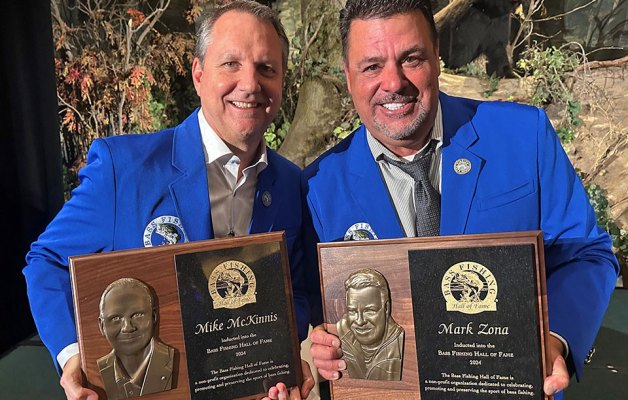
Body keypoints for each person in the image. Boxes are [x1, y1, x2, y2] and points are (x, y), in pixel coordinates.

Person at [303, 1, 619, 398]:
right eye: (371, 67)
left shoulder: (523, 136)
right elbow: (315, 306)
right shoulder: (317, 186)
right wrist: (322, 341)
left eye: (411, 58)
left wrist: (556, 338)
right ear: (349, 77)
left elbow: (587, 252)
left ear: (436, 57)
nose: (393, 82)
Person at [23, 2, 313, 400]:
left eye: (267, 68)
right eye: (230, 64)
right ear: (198, 74)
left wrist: (278, 357)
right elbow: (47, 263)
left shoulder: (293, 184)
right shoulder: (123, 169)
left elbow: (295, 291)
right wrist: (74, 356)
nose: (250, 83)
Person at [97, 278, 174, 399]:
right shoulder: (98, 373)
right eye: (116, 318)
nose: (127, 328)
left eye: (137, 315)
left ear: (154, 317)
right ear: (102, 326)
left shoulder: (171, 362)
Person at [336, 269, 404, 381]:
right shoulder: (343, 333)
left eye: (369, 311)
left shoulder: (397, 344)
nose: (360, 321)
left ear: (386, 309)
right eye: (352, 311)